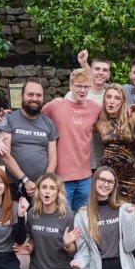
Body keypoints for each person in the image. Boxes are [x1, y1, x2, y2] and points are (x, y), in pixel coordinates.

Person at [20, 173, 80, 269]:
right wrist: (30, 247)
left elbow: (73, 250)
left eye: (52, 188)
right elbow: (33, 238)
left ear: (58, 193)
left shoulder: (68, 216)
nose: (47, 191)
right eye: (44, 187)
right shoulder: (32, 213)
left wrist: (67, 244)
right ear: (38, 191)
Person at [42, 69, 101, 211]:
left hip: (86, 176)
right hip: (61, 176)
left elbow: (112, 120)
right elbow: (32, 118)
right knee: (63, 217)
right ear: (71, 86)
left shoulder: (95, 108)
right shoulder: (54, 106)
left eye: (86, 86)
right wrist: (5, 119)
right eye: (78, 86)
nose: (82, 90)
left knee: (84, 218)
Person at [0, 79, 58, 200]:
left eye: (39, 95)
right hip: (13, 184)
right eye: (30, 94)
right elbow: (4, 154)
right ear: (22, 96)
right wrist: (25, 180)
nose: (35, 98)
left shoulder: (49, 124)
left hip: (40, 187)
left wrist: (45, 182)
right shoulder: (9, 119)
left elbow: (53, 157)